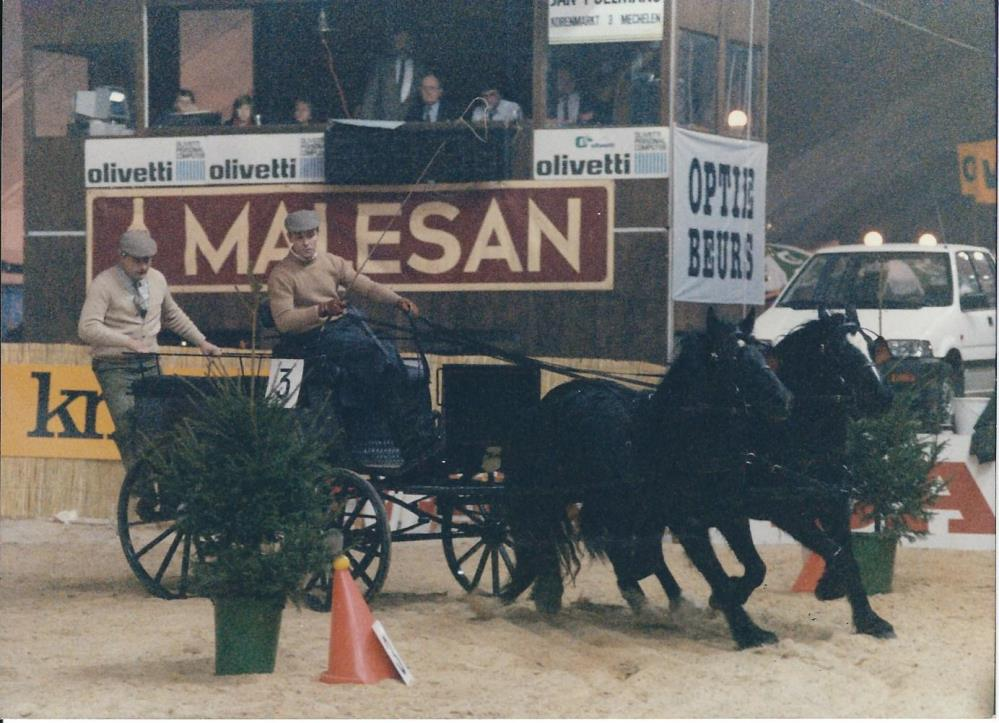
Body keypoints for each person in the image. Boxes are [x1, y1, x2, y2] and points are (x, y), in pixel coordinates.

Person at [267, 209, 438, 468]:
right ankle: (408, 441)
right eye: (300, 237)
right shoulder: (282, 275)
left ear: (317, 235)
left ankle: (417, 431)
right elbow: (284, 321)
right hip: (315, 337)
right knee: (372, 354)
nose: (306, 242)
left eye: (310, 235)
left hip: (344, 327)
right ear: (290, 238)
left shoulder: (332, 263)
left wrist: (397, 300)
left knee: (388, 350)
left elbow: (366, 286)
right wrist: (321, 310)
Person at [78, 229, 221, 471]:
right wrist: (127, 342)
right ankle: (140, 487)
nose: (143, 266)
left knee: (157, 429)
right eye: (137, 260)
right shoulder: (104, 284)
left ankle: (161, 484)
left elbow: (172, 315)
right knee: (128, 427)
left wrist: (201, 341)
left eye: (148, 260)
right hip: (115, 367)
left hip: (150, 365)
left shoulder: (157, 280)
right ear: (122, 256)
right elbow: (87, 328)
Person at [358, 30, 424, 121]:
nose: (402, 44)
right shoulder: (382, 66)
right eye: (399, 39)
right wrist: (367, 124)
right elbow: (370, 97)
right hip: (383, 124)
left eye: (405, 40)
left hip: (410, 126)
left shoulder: (420, 69)